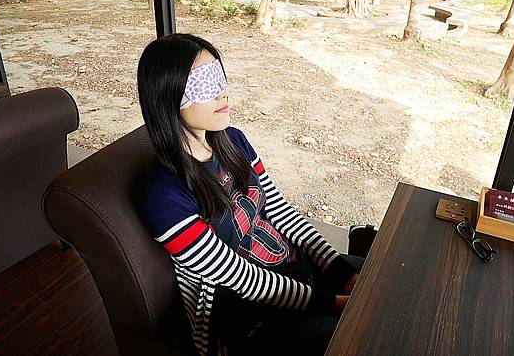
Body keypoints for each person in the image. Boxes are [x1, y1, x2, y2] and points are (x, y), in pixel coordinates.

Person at [137, 33, 363, 356]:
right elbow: (240, 277)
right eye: (204, 84)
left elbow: (282, 212)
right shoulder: (165, 198)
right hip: (247, 313)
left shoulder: (233, 141)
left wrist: (341, 272)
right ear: (167, 96)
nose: (223, 92)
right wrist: (333, 303)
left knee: (384, 280)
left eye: (219, 77)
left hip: (295, 270)